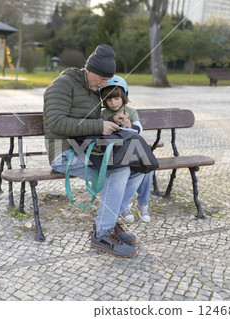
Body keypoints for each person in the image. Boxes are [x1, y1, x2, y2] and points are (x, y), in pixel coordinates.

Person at [43, 44, 144, 258]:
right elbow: (56, 122)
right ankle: (102, 233)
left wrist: (110, 120)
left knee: (134, 166)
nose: (105, 85)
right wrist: (99, 127)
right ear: (89, 70)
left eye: (108, 80)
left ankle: (108, 223)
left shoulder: (92, 89)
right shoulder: (62, 86)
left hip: (86, 148)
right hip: (63, 153)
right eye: (102, 79)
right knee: (117, 172)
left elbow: (87, 121)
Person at [100, 76, 153, 223]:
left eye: (116, 98)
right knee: (135, 169)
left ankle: (143, 204)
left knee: (148, 169)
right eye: (109, 100)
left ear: (124, 96)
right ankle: (123, 206)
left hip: (131, 150)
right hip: (115, 153)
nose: (113, 103)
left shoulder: (131, 111)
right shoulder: (104, 114)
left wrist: (129, 125)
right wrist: (112, 122)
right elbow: (102, 133)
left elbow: (139, 129)